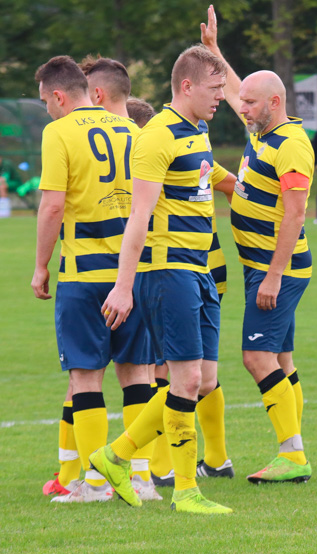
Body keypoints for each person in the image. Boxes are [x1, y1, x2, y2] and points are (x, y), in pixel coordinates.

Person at [92, 45, 235, 514]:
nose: (221, 97)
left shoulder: (198, 127)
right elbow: (138, 216)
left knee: (205, 380)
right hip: (167, 269)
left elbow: (234, 92)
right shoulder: (156, 137)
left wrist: (216, 53)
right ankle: (187, 491)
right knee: (186, 378)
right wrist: (123, 284)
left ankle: (114, 456)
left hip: (199, 270)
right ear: (187, 87)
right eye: (213, 89)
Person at [31, 56, 155, 504]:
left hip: (84, 274)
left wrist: (42, 265)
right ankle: (141, 477)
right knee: (137, 374)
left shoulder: (59, 132)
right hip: (135, 272)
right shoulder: (135, 131)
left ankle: (96, 484)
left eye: (46, 101)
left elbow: (52, 206)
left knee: (86, 377)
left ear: (60, 96)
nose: (47, 109)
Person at [201, 6, 312, 483]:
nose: (240, 108)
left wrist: (272, 275)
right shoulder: (261, 128)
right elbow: (234, 89)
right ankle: (295, 451)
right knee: (282, 360)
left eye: (250, 102)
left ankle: (292, 454)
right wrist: (214, 53)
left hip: (276, 270)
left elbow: (296, 213)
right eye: (241, 101)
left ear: (275, 101)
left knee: (256, 357)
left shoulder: (290, 143)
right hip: (260, 267)